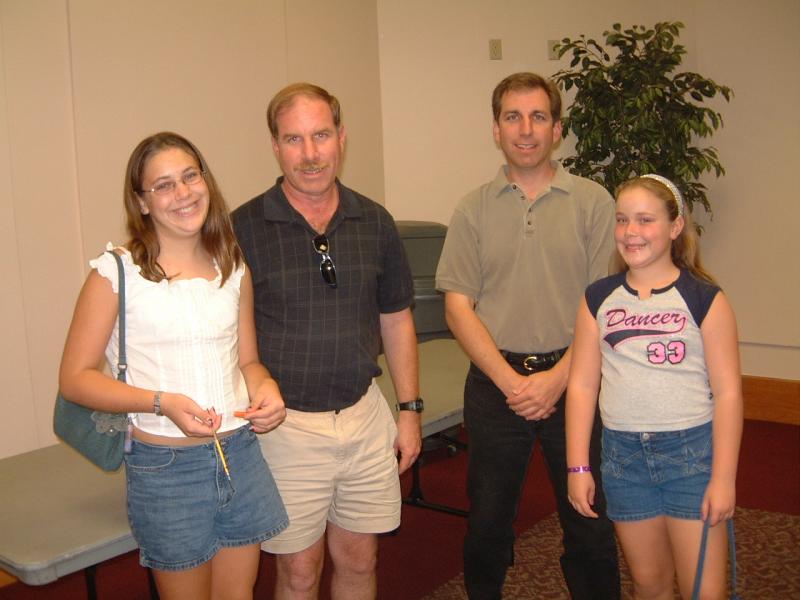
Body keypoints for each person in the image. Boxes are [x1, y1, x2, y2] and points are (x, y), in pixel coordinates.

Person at [58, 131, 288, 600]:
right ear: (141, 202)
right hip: (165, 468)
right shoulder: (116, 272)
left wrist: (268, 390)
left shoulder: (232, 266)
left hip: (239, 455)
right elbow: (75, 379)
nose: (182, 193)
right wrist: (161, 402)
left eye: (189, 177)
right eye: (163, 185)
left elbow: (248, 361)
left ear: (206, 181)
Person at [232, 82, 422, 600]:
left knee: (360, 561)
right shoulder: (243, 228)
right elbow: (228, 334)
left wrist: (408, 410)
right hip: (286, 430)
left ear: (341, 137)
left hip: (364, 418)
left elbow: (397, 319)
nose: (310, 154)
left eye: (321, 136)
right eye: (294, 139)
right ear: (275, 146)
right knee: (298, 572)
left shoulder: (374, 221)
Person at [436, 72, 620, 599]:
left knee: (588, 517)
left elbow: (604, 306)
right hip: (497, 387)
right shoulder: (472, 209)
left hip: (578, 382)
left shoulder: (592, 202)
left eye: (539, 116)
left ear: (557, 129)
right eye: (512, 117)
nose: (526, 129)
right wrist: (513, 382)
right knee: (488, 522)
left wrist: (560, 379)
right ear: (496, 129)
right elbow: (457, 306)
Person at [566, 174, 743, 599]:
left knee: (704, 590)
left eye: (645, 220)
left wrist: (724, 479)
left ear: (675, 226)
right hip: (624, 460)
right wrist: (577, 467)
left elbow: (729, 393)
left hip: (691, 458)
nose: (631, 232)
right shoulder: (598, 298)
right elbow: (583, 385)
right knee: (650, 585)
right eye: (623, 220)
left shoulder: (704, 298)